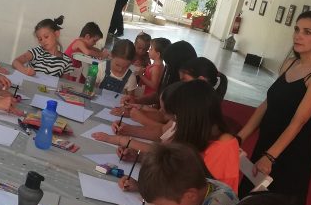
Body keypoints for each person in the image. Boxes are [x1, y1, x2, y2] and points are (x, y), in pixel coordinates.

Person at [237, 10, 311, 205]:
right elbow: (267, 104)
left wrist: (270, 156)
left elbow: (299, 121)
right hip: (267, 143)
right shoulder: (290, 64)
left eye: (307, 32)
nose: (298, 36)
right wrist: (239, 137)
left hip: (291, 153)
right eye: (297, 30)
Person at [97, 81, 240, 192]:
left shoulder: (223, 151)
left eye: (175, 119)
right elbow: (178, 172)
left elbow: (191, 196)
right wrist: (140, 158)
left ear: (189, 119)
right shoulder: (199, 135)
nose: (173, 124)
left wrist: (147, 189)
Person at [125, 36, 169, 105]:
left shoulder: (156, 68)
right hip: (144, 90)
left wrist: (141, 75)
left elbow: (154, 85)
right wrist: (144, 69)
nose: (149, 51)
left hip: (148, 94)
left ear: (158, 54)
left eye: (151, 49)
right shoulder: (156, 65)